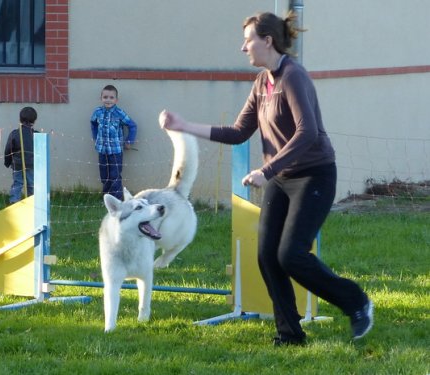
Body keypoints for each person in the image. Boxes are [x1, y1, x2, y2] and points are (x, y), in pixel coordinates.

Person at [159, 11, 373, 345]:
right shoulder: (262, 83)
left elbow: (308, 133)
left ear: (267, 40)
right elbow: (238, 132)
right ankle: (289, 335)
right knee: (267, 256)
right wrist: (185, 126)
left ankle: (356, 302)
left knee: (291, 255)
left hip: (313, 176)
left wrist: (266, 170)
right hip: (279, 177)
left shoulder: (293, 77)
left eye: (248, 40)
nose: (243, 47)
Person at [90, 85, 137, 200]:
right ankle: (106, 198)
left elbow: (132, 126)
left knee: (115, 176)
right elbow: (93, 123)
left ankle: (116, 199)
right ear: (101, 98)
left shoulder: (119, 113)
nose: (108, 100)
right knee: (104, 175)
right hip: (102, 150)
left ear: (116, 100)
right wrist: (95, 137)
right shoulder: (97, 112)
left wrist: (129, 141)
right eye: (105, 97)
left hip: (116, 151)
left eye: (111, 97)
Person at [4, 106, 38, 204]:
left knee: (17, 183)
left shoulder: (14, 134)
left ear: (20, 119)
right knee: (31, 183)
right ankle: (33, 202)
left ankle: (14, 201)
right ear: (34, 121)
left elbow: (8, 150)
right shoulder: (36, 135)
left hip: (17, 165)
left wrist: (7, 162)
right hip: (31, 165)